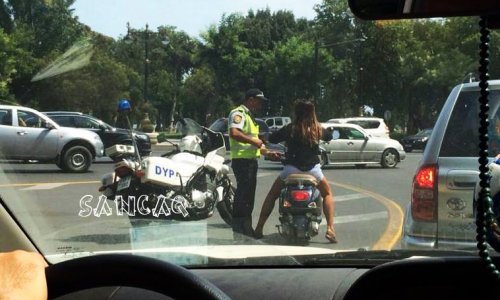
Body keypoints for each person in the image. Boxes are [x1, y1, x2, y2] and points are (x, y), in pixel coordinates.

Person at [254, 100, 337, 243]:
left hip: (291, 170)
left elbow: (272, 138)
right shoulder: (318, 129)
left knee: (272, 195)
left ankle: (259, 228)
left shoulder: (290, 128)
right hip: (313, 171)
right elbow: (329, 136)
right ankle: (330, 228)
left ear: (296, 112)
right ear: (312, 113)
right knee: (327, 193)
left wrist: (265, 138)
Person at [228, 88, 270, 240]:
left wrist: (266, 151)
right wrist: (254, 140)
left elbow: (254, 141)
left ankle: (246, 230)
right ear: (251, 99)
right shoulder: (238, 113)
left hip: (250, 161)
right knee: (243, 198)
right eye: (258, 101)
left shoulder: (249, 115)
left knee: (248, 199)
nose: (259, 104)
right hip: (242, 161)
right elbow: (234, 133)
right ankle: (239, 232)